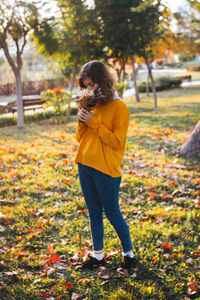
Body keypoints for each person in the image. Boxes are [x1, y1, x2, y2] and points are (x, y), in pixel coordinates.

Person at [75, 60, 137, 273]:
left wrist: (93, 121)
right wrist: (82, 120)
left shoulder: (120, 107)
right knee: (93, 212)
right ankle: (98, 257)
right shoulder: (92, 104)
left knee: (112, 212)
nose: (88, 89)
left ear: (103, 82)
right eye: (85, 86)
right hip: (84, 163)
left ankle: (129, 256)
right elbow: (79, 138)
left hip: (106, 169)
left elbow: (117, 142)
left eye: (92, 85)